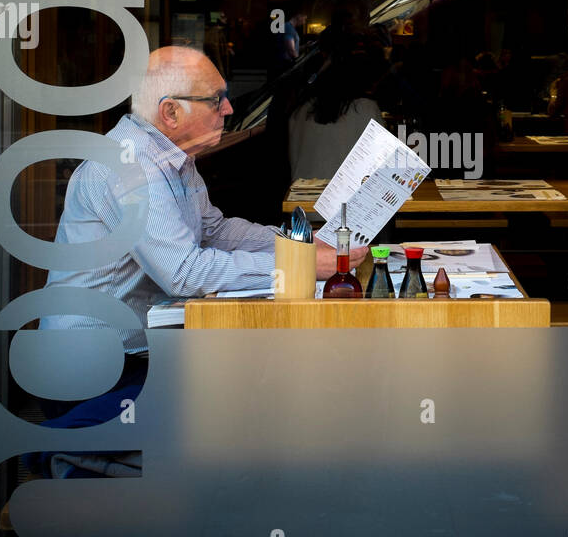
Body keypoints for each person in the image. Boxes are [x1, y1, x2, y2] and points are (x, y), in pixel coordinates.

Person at [38, 46, 365, 431]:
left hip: (133, 355)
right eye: (215, 100)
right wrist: (301, 266)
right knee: (247, 402)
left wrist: (300, 245)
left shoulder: (170, 154)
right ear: (170, 112)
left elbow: (215, 230)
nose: (228, 109)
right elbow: (184, 273)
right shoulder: (131, 168)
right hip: (93, 376)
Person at [288, 26, 387, 180]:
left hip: (300, 200)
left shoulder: (300, 110)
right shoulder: (365, 109)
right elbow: (382, 168)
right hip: (345, 201)